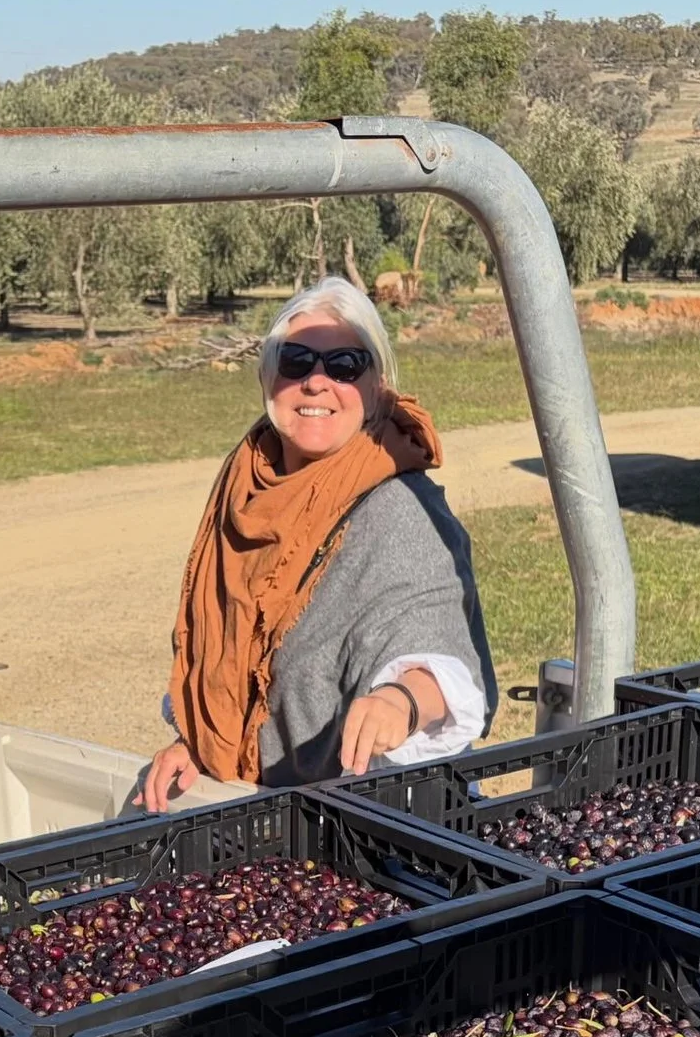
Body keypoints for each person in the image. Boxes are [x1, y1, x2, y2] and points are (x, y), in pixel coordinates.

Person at [143, 277, 494, 810]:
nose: (316, 382)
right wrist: (202, 748)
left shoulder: (398, 507)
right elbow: (238, 666)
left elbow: (435, 644)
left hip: (379, 828)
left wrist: (399, 701)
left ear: (377, 386)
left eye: (344, 366)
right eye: (296, 361)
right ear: (267, 376)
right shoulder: (242, 495)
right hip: (267, 815)